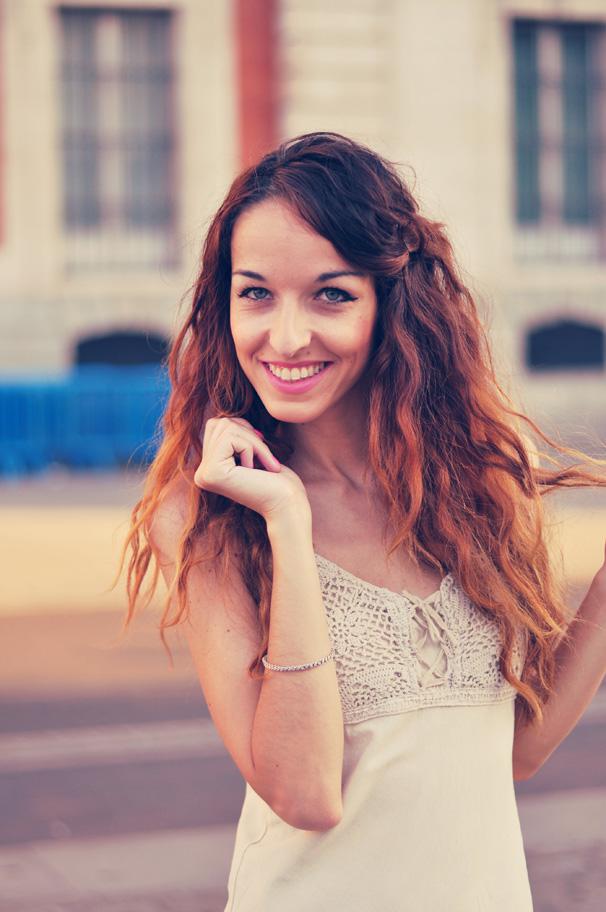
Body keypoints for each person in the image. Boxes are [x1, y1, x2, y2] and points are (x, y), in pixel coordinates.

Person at [116, 131, 606, 911]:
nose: (285, 336)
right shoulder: (203, 515)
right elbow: (305, 793)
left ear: (391, 302)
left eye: (330, 294)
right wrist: (287, 523)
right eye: (255, 293)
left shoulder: (473, 481)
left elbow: (516, 748)